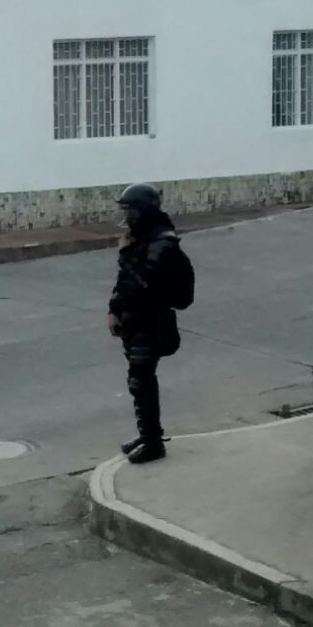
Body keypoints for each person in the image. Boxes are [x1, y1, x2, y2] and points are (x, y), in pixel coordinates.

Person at [107, 183, 193, 465]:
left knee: (141, 379)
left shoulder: (162, 241)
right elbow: (122, 283)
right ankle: (147, 434)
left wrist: (125, 254)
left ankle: (154, 443)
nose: (127, 216)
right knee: (137, 381)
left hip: (153, 321)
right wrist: (113, 310)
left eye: (130, 210)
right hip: (134, 321)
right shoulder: (141, 237)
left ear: (143, 211)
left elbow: (143, 283)